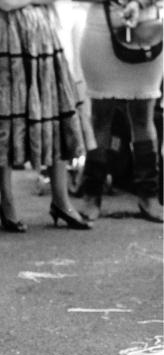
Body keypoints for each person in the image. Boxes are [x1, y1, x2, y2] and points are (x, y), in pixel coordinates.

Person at [0, 0, 94, 232]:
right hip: (2, 33)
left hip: (40, 33)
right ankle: (7, 203)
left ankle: (61, 201)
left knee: (52, 109)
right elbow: (3, 2)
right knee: (3, 112)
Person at [78, 0, 163, 223]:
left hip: (147, 30)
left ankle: (149, 196)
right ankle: (91, 195)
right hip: (101, 30)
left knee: (143, 116)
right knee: (101, 117)